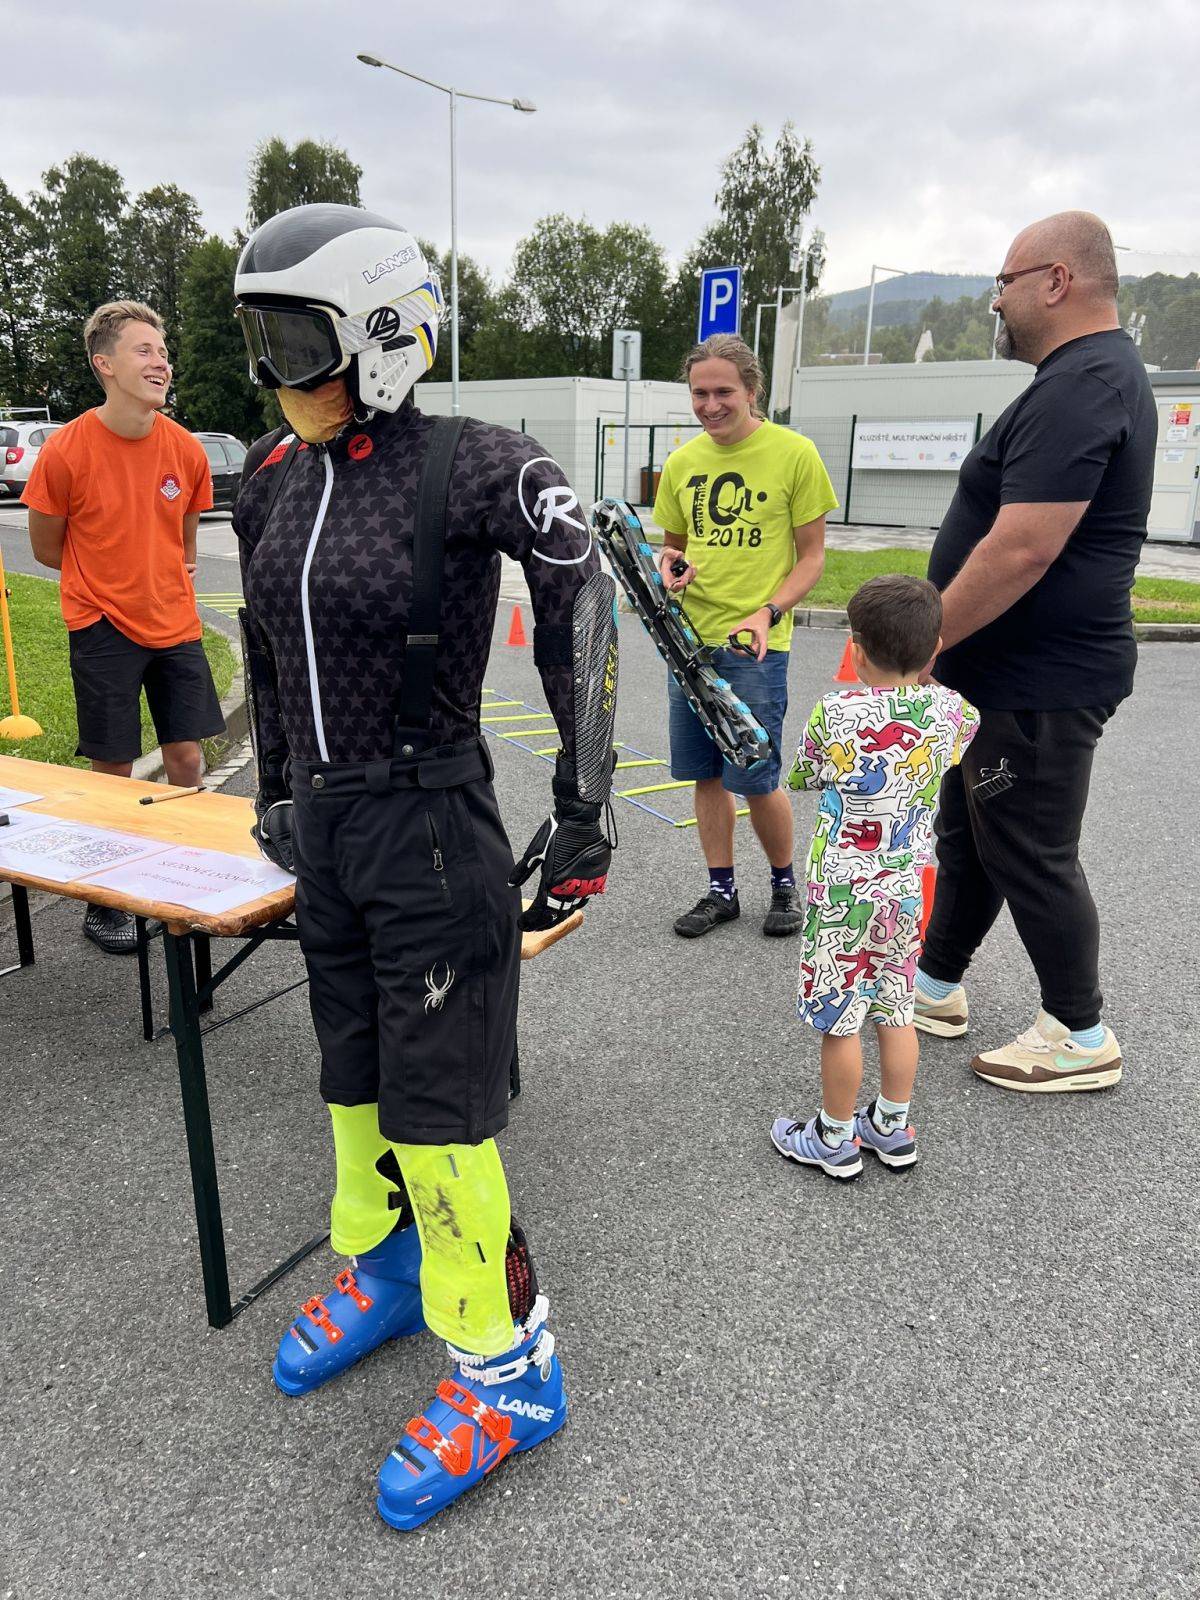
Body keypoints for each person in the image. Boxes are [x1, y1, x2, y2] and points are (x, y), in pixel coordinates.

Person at [231, 204, 617, 1531]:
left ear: (384, 334)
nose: (275, 374)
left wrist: (586, 809)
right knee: (355, 1081)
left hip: (432, 827)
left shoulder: (476, 461)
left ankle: (512, 1370)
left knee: (442, 1120)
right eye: (259, 341)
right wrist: (275, 789)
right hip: (328, 831)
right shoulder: (271, 476)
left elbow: (584, 598)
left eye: (297, 341)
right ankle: (396, 1271)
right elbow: (265, 641)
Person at [916, 212, 1155, 1093]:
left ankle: (1080, 1033)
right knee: (973, 836)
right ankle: (935, 987)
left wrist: (927, 639)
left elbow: (1023, 547)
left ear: (1057, 280)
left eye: (1005, 282)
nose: (996, 302)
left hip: (1037, 683)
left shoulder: (1084, 382)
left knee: (1028, 849)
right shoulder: (1083, 377)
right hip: (1001, 678)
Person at [24, 300, 223, 955]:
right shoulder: (66, 450)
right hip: (102, 623)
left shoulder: (186, 450)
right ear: (104, 364)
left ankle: (183, 878)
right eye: (144, 350)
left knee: (186, 757)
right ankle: (105, 901)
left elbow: (185, 545)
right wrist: (108, 581)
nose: (161, 361)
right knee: (111, 767)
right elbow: (47, 549)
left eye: (163, 351)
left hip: (175, 624)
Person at [771, 576, 978, 1179]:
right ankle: (890, 1126)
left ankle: (833, 1136)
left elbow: (805, 775)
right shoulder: (951, 710)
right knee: (896, 1009)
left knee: (841, 1019)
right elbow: (962, 730)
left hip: (843, 892)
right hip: (905, 890)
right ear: (935, 649)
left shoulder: (836, 713)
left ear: (856, 651)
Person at [651, 334, 836, 939]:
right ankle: (721, 891)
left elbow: (812, 558)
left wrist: (768, 612)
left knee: (755, 776)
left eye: (723, 392)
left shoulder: (795, 453)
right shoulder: (682, 463)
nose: (710, 405)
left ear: (753, 391)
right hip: (689, 642)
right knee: (706, 775)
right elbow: (672, 548)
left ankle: (784, 885)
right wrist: (670, 567)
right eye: (699, 393)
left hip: (755, 645)